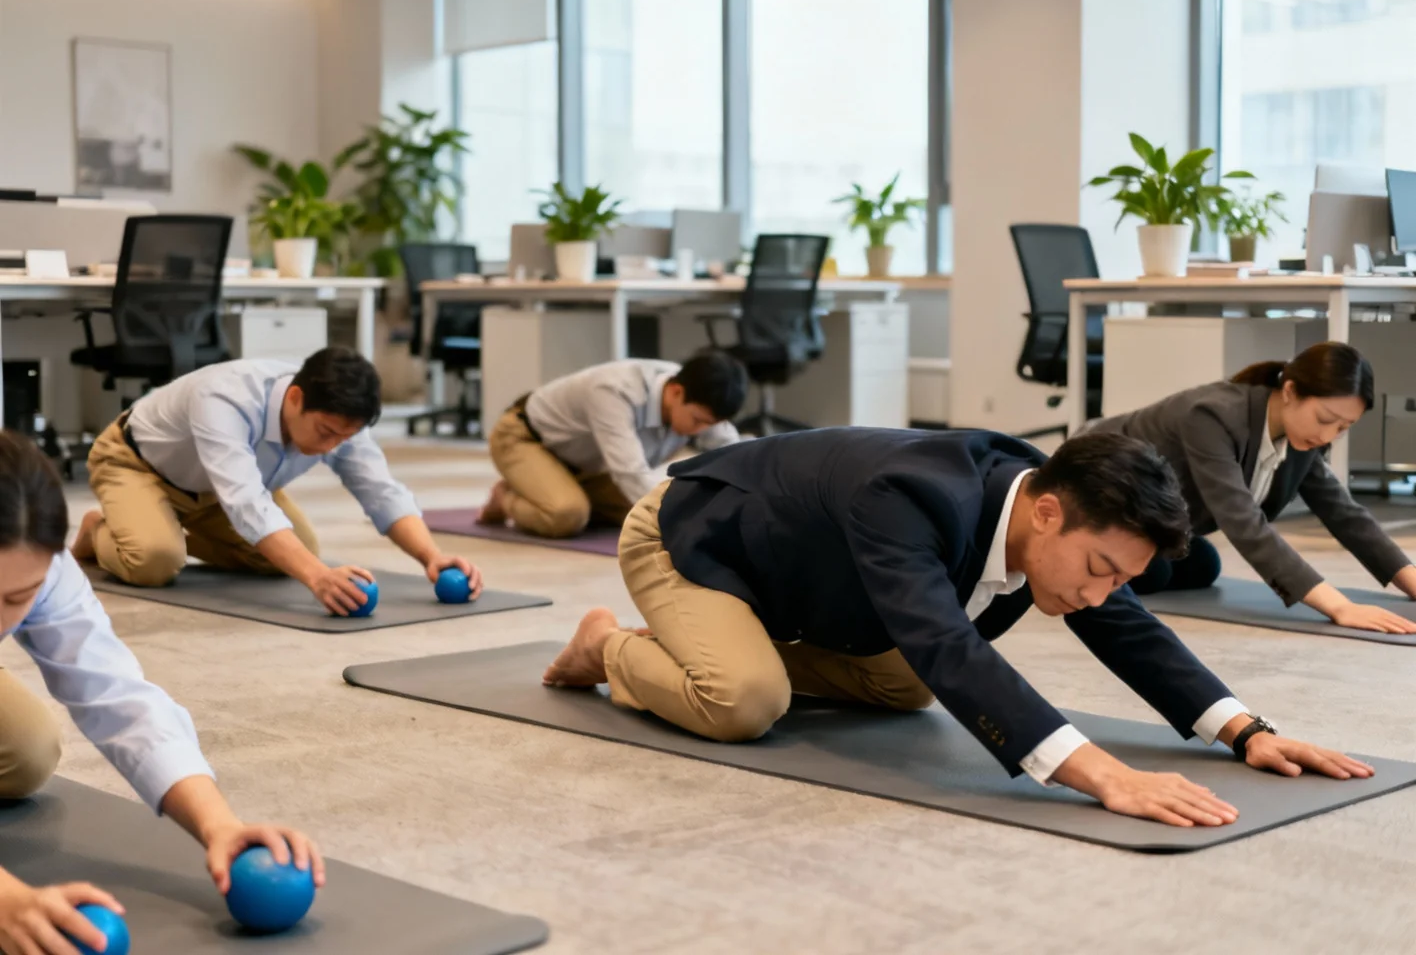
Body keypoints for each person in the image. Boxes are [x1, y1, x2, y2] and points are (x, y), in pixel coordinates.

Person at [544, 427, 1372, 829]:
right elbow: (945, 638)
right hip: (696, 538)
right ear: (1047, 515)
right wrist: (1100, 774)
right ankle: (609, 645)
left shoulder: (1061, 522)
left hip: (804, 581)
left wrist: (1243, 730)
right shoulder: (909, 499)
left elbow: (1125, 626)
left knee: (902, 685)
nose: (1102, 594)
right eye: (1097, 571)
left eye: (1120, 577)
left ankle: (715, 647)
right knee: (743, 702)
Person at [0, 431, 323, 954]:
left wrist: (219, 825)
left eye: (16, 597)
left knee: (26, 751)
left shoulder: (42, 564)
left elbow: (114, 691)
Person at [71, 348, 483, 616]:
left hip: (217, 489)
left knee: (295, 553)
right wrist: (318, 578)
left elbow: (380, 489)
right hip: (137, 464)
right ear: (295, 399)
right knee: (154, 562)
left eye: (345, 437)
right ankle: (102, 530)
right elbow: (248, 502)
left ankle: (158, 530)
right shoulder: (225, 397)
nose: (333, 446)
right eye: (326, 433)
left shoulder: (339, 420)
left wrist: (431, 556)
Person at [1086, 341, 1416, 634]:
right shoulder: (1212, 416)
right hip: (1100, 487)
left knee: (1201, 566)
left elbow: (1344, 513)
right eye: (1325, 419)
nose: (1329, 435)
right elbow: (1241, 520)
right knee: (1151, 573)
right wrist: (1339, 606)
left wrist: (1410, 579)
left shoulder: (1299, 439)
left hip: (1150, 513)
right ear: (1290, 392)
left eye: (1344, 427)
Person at [479, 352, 748, 539]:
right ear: (676, 392)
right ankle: (507, 498)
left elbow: (734, 454)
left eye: (709, 424)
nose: (701, 431)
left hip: (587, 464)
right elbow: (630, 473)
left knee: (644, 511)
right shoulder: (615, 391)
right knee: (567, 515)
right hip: (524, 438)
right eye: (698, 421)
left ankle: (554, 490)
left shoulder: (697, 395)